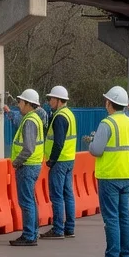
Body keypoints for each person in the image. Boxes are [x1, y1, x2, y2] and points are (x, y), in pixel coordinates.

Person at [90, 86, 129, 257]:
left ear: (109, 103)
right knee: (124, 217)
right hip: (127, 174)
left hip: (109, 175)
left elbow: (96, 150)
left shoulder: (107, 123)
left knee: (111, 218)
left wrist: (92, 142)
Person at [9, 89, 46, 246]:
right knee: (30, 200)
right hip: (33, 165)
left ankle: (29, 235)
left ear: (28, 103)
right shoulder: (34, 118)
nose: (19, 105)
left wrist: (17, 161)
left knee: (26, 201)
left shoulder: (30, 120)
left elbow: (28, 147)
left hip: (27, 166)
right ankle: (32, 232)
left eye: (20, 102)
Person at [41, 85, 77, 239]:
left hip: (59, 161)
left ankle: (58, 229)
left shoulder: (59, 117)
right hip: (69, 159)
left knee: (57, 196)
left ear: (58, 100)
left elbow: (58, 142)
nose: (49, 101)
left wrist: (51, 160)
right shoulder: (69, 114)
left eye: (51, 99)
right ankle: (69, 228)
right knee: (68, 194)